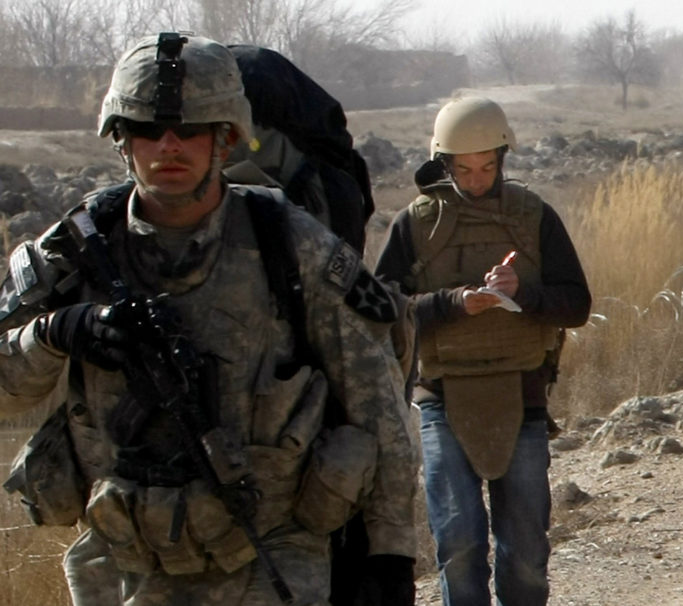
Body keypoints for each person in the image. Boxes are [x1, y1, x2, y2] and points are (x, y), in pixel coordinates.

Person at [0, 33, 418, 605]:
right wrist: (52, 335)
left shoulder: (292, 245)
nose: (168, 146)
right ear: (121, 141)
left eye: (190, 129)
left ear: (226, 139)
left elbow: (378, 404)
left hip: (270, 561)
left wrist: (390, 553)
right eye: (148, 129)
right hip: (123, 570)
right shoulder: (75, 251)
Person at [375, 96, 591, 605]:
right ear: (443, 163)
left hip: (522, 395)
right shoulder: (415, 224)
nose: (475, 180)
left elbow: (576, 304)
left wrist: (523, 293)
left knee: (526, 553)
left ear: (503, 159)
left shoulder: (533, 216)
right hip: (442, 398)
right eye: (463, 169)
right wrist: (453, 304)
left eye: (487, 167)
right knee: (458, 545)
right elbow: (381, 313)